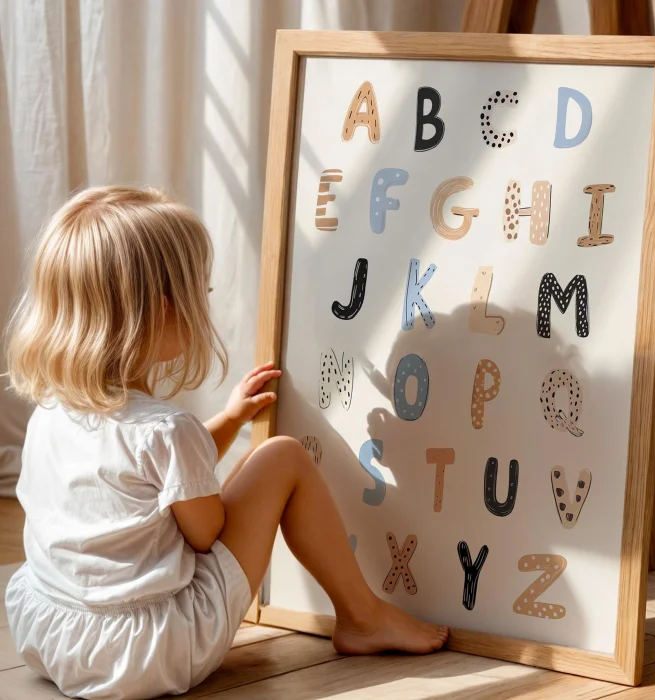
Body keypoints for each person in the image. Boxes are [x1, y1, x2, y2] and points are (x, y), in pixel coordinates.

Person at [2, 186, 448, 700]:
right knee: (283, 457)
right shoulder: (166, 429)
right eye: (200, 293)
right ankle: (362, 616)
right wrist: (241, 479)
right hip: (148, 651)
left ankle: (364, 616)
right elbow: (204, 531)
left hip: (51, 633)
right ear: (163, 312)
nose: (205, 304)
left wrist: (230, 421)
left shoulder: (49, 411)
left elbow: (150, 479)